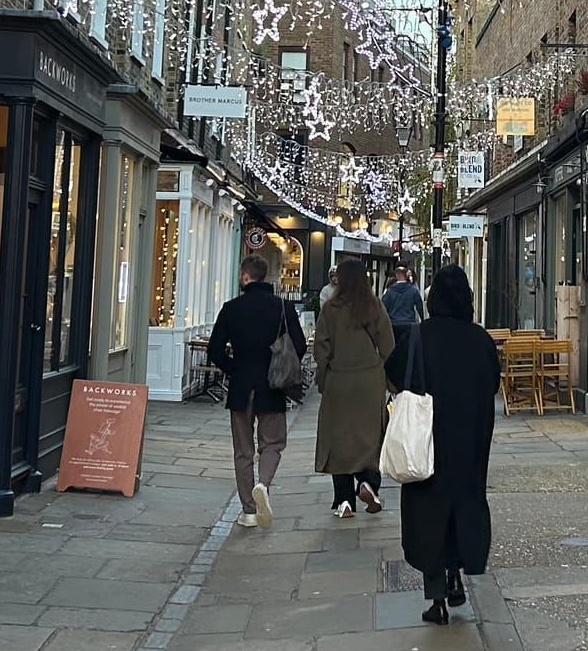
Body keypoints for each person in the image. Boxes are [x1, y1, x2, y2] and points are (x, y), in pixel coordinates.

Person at [384, 264, 501, 624]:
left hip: (428, 439)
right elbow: (493, 384)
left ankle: (436, 598)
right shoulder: (480, 339)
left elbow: (393, 373)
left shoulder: (420, 336)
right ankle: (456, 575)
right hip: (469, 440)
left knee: (428, 514)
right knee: (462, 506)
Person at [207, 256, 305, 529]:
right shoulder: (283, 308)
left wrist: (234, 369)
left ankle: (249, 511)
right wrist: (280, 367)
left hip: (241, 387)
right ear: (265, 276)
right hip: (271, 386)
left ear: (245, 276)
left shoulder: (231, 308)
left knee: (243, 450)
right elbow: (299, 345)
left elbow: (214, 350)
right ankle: (263, 484)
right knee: (272, 443)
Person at [313, 260, 394, 518]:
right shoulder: (375, 306)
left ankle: (344, 500)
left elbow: (321, 349)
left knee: (339, 440)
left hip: (339, 380)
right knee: (370, 436)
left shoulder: (330, 309)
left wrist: (323, 380)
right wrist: (391, 382)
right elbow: (388, 346)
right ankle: (369, 483)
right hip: (370, 381)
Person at [380, 264, 427, 329]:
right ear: (406, 275)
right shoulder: (413, 290)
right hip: (409, 323)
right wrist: (422, 319)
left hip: (393, 323)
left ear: (396, 275)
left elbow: (383, 307)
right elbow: (419, 306)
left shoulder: (390, 291)